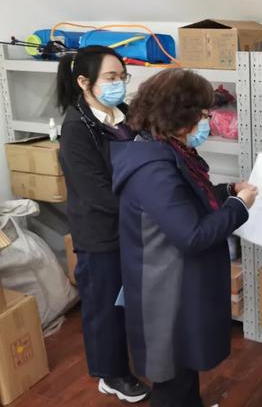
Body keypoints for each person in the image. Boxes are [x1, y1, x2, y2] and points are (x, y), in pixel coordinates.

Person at [110, 68, 258, 407]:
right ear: (179, 118)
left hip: (177, 282)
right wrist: (239, 206)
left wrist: (226, 191)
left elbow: (186, 201)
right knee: (172, 377)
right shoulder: (153, 169)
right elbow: (192, 234)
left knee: (183, 368)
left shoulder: (167, 151)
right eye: (203, 115)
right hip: (165, 291)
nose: (207, 121)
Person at [57, 45, 150, 402]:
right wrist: (146, 207)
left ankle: (127, 361)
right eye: (110, 77)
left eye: (122, 77)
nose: (119, 84)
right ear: (84, 82)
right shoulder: (76, 128)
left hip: (130, 223)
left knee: (129, 302)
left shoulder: (121, 114)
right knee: (105, 308)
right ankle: (111, 375)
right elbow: (96, 192)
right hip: (100, 232)